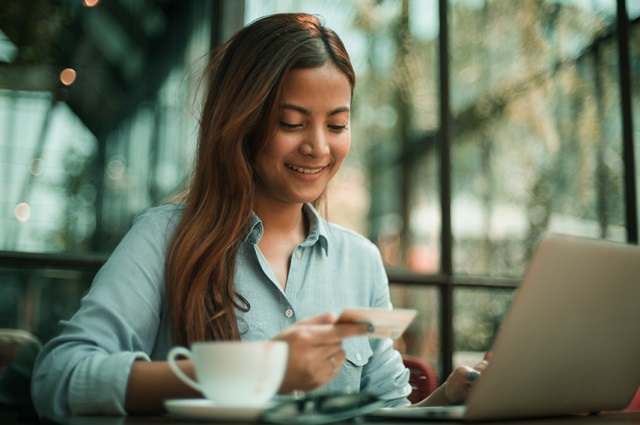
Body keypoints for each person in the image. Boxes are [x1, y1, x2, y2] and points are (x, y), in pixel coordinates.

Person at [31, 13, 486, 417]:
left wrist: (448, 399)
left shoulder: (361, 261)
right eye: (291, 122)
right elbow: (59, 376)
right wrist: (256, 370)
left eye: (337, 125)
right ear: (241, 119)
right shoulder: (163, 238)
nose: (318, 147)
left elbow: (383, 411)